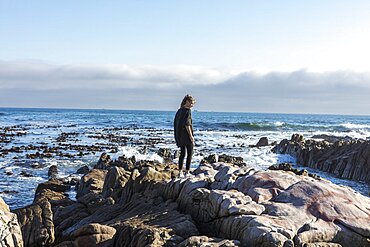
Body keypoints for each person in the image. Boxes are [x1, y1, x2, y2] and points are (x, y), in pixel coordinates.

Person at [174, 94, 196, 177]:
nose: (192, 105)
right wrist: (191, 136)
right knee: (189, 153)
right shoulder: (187, 111)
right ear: (187, 102)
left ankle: (180, 171)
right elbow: (187, 124)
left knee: (182, 153)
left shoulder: (179, 111)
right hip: (186, 135)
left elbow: (176, 123)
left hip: (180, 136)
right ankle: (187, 172)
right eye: (191, 103)